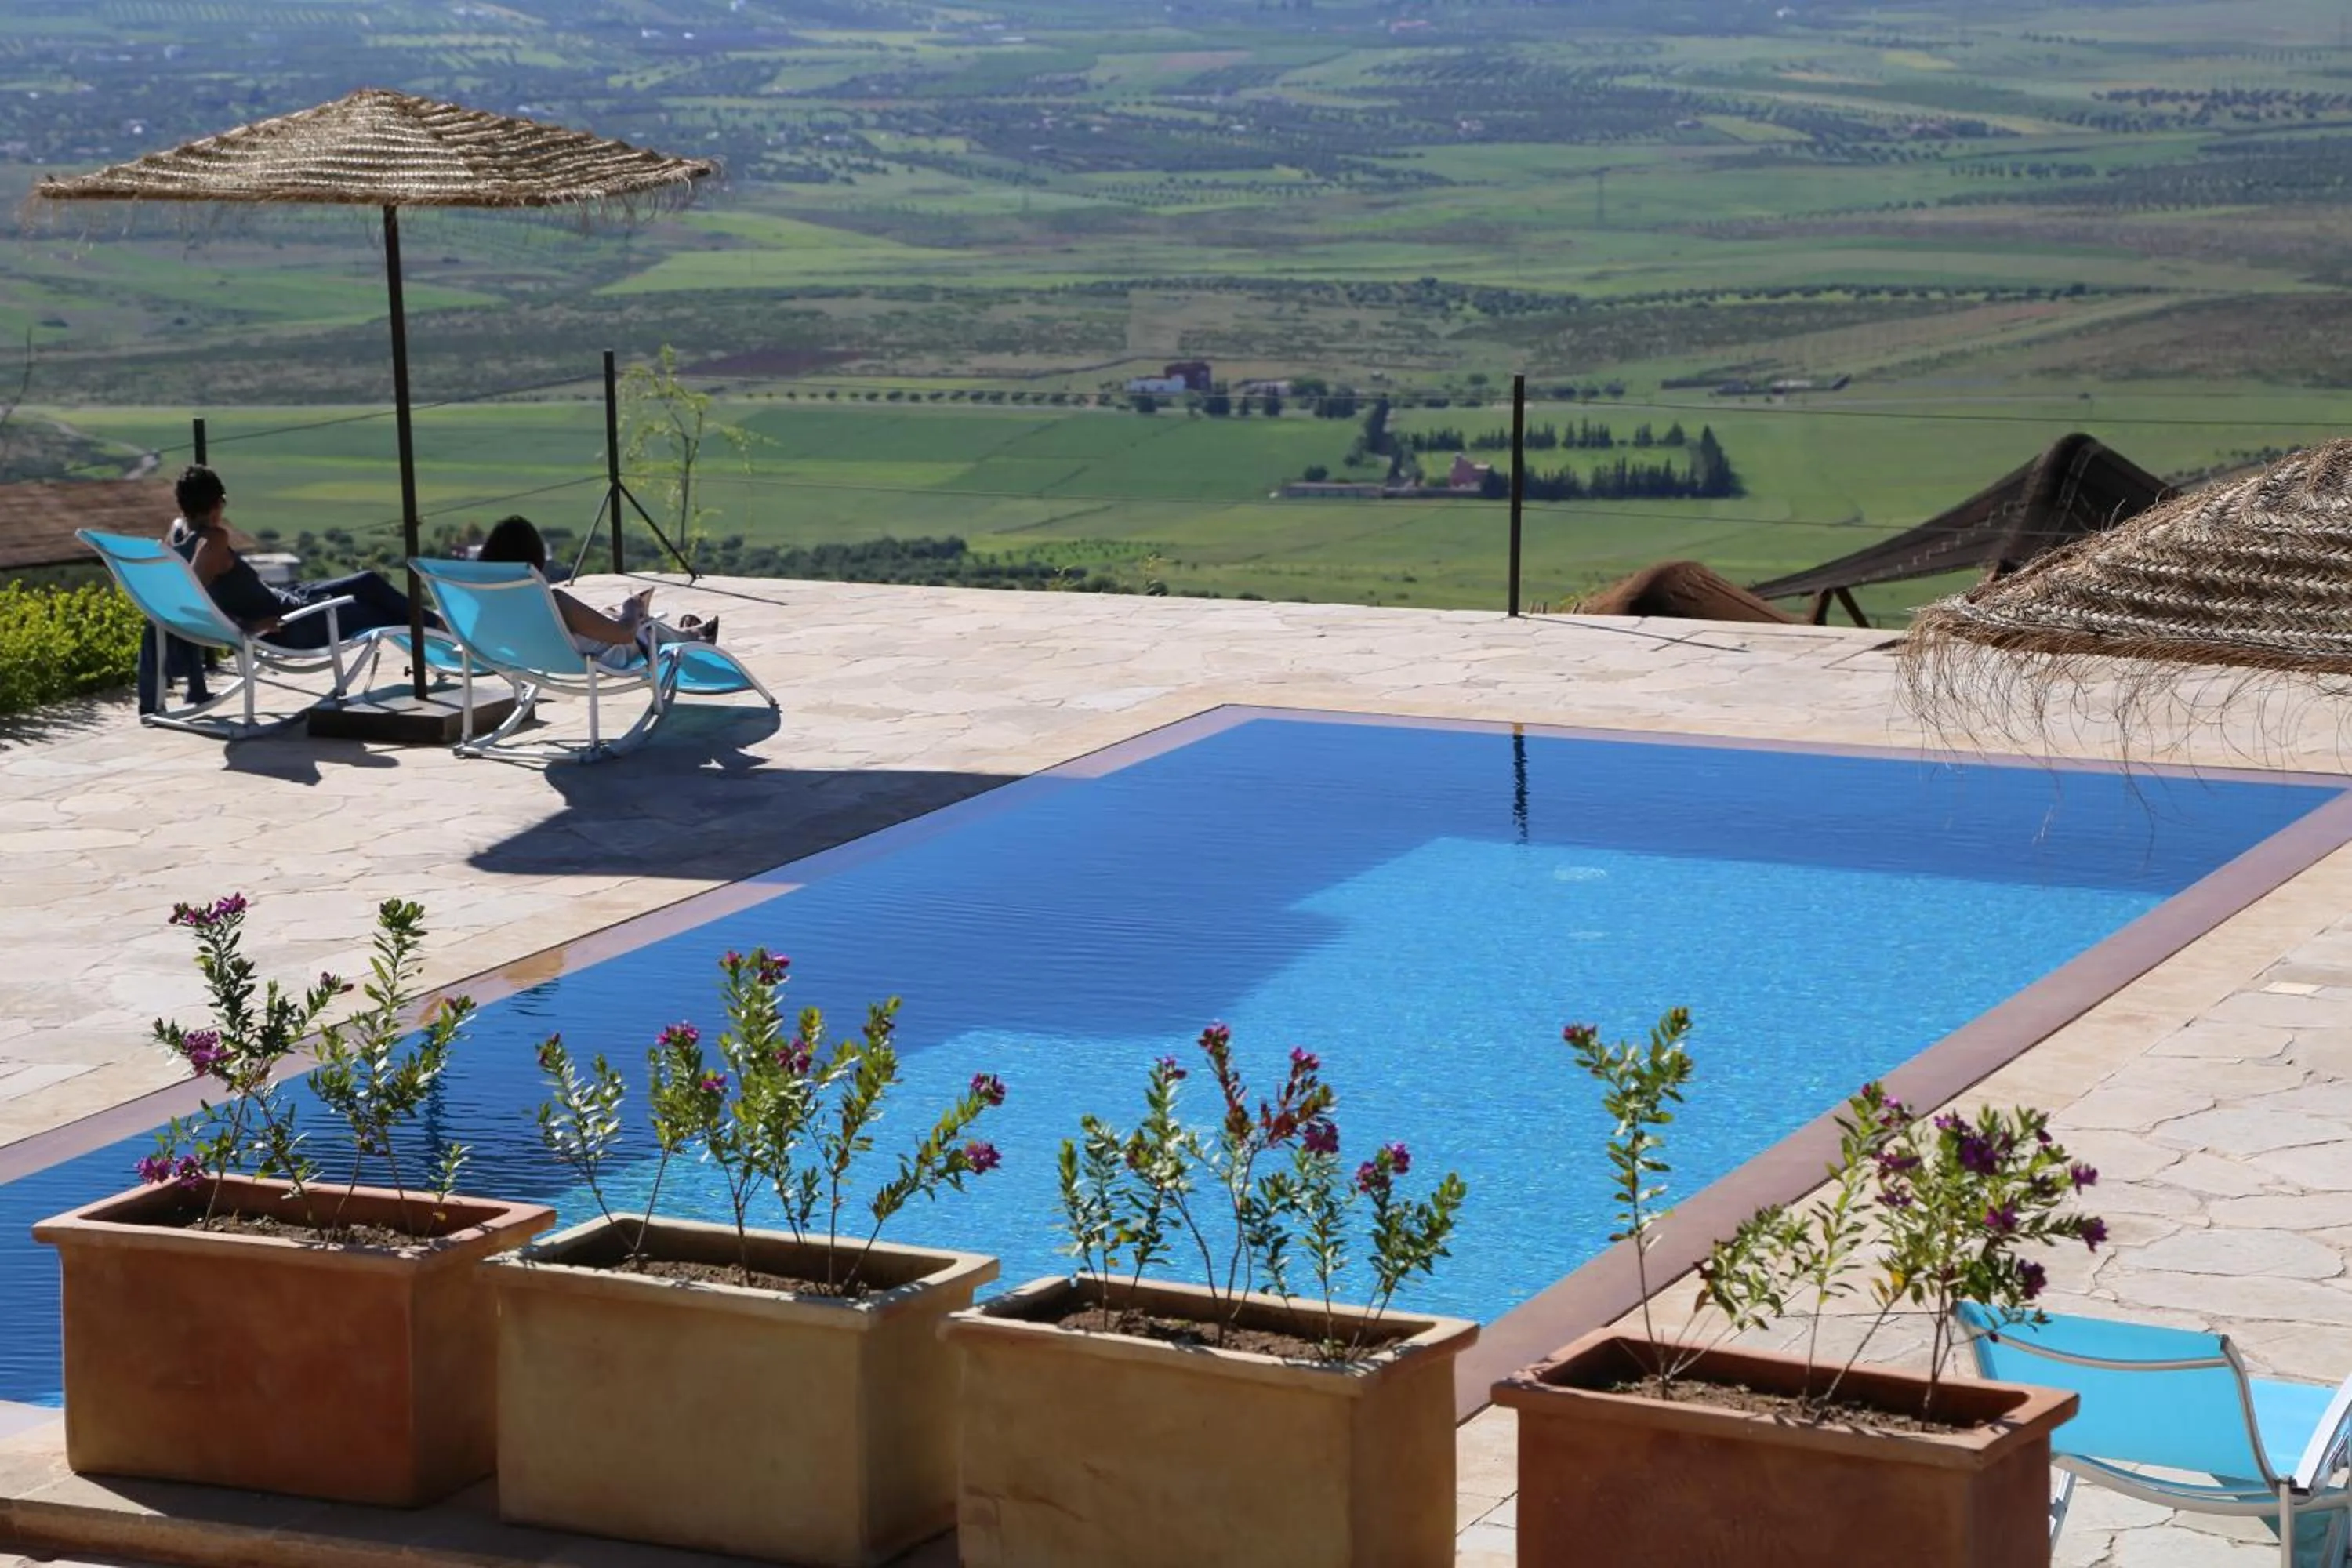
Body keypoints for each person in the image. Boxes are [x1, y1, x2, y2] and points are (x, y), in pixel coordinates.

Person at [169, 465, 426, 649]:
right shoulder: (213, 541)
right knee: (380, 609)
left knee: (369, 581)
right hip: (295, 625)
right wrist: (247, 625)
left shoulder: (179, 533)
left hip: (289, 600)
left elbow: (190, 593)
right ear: (217, 503)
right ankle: (444, 636)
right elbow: (194, 599)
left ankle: (439, 627)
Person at [474, 514, 716, 669]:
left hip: (535, 658)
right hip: (603, 656)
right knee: (645, 626)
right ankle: (692, 638)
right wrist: (631, 610)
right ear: (535, 560)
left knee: (608, 613)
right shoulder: (554, 602)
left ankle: (680, 631)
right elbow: (623, 635)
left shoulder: (486, 604)